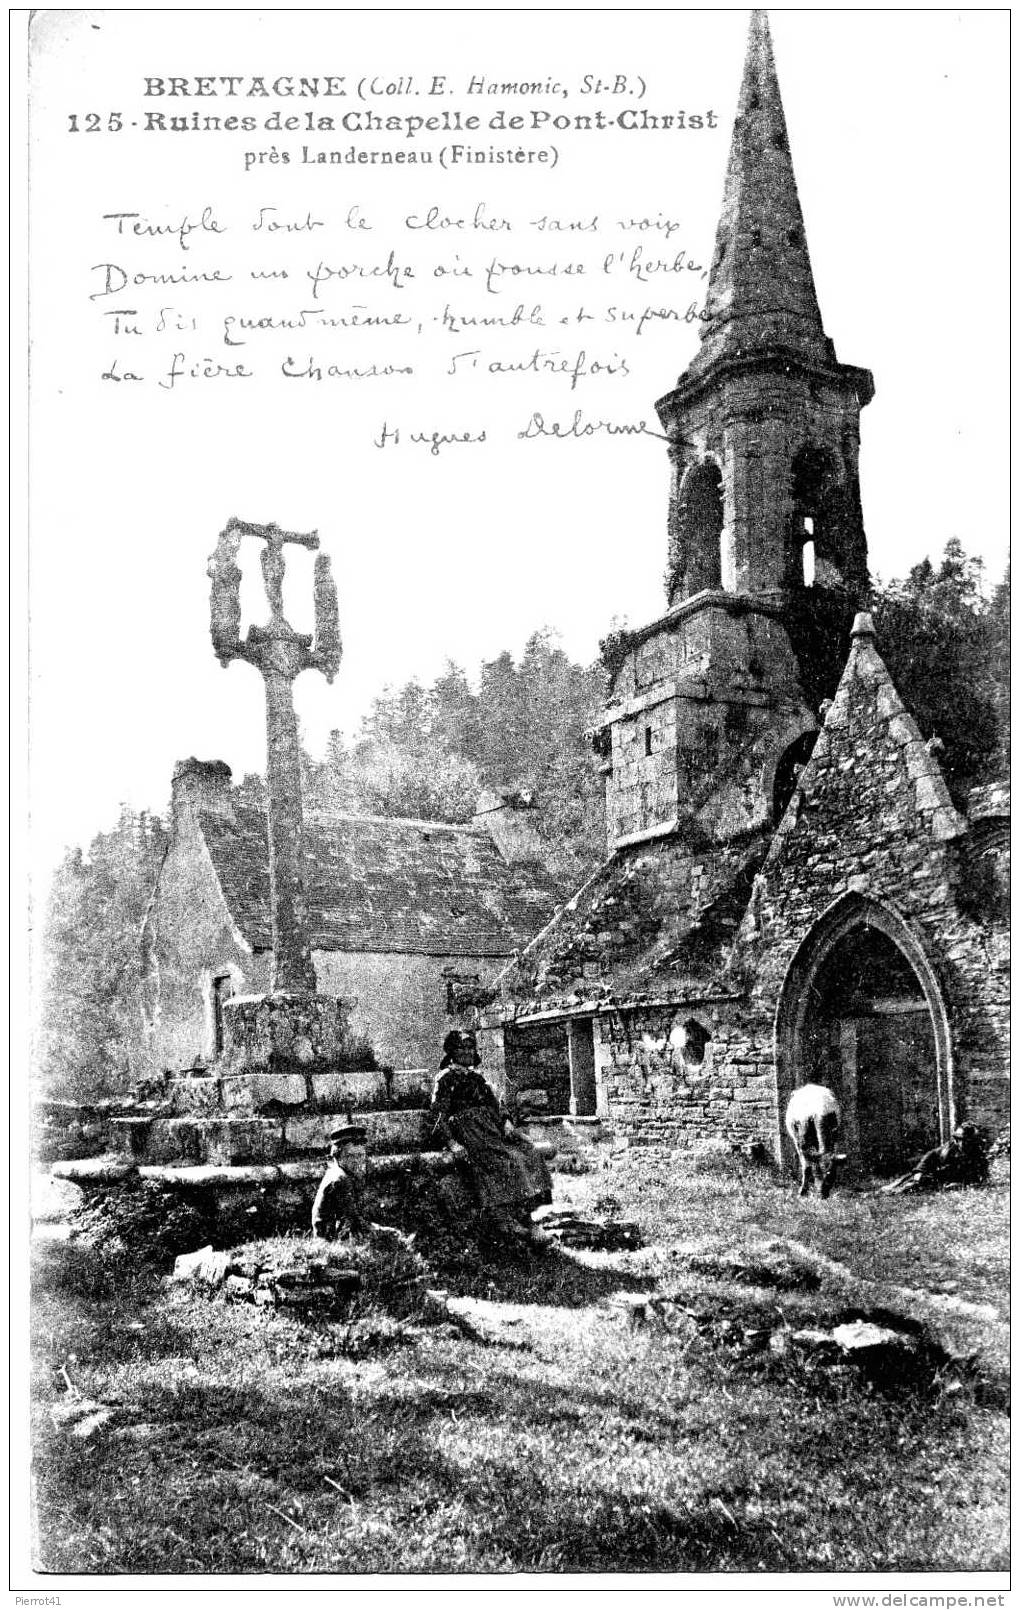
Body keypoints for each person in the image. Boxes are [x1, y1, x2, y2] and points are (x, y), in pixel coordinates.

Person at [430, 1028, 553, 1242]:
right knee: (508, 1160)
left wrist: (506, 1121)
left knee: (529, 1152)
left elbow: (497, 1104)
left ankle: (527, 1217)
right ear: (452, 1052)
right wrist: (452, 1143)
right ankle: (506, 1218)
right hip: (470, 1133)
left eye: (471, 1047)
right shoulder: (445, 1079)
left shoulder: (478, 1079)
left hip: (492, 1129)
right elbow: (438, 1114)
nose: (468, 1052)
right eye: (462, 1048)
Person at [311, 1123, 371, 1239]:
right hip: (332, 1242)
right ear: (337, 1156)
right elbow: (354, 1220)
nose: (357, 1161)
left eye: (360, 1156)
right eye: (351, 1156)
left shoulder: (338, 1172)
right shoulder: (340, 1179)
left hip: (331, 1236)